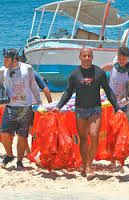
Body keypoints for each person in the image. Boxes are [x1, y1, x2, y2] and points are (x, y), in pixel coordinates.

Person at [52, 47, 121, 178]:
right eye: (84, 56)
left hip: (95, 109)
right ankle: (84, 164)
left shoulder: (99, 72)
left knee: (94, 134)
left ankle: (89, 165)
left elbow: (108, 91)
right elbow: (68, 92)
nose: (87, 58)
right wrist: (59, 106)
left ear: (92, 57)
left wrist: (116, 107)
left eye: (89, 56)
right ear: (80, 57)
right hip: (80, 110)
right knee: (83, 139)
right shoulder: (74, 74)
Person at [0, 48, 42, 168]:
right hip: (10, 107)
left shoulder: (26, 68)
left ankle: (19, 161)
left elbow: (33, 85)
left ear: (14, 59)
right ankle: (9, 155)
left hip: (26, 107)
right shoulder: (2, 70)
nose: (4, 61)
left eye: (6, 59)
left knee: (22, 136)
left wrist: (38, 102)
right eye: (3, 58)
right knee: (4, 133)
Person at [101, 46, 129, 127]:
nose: (121, 61)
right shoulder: (110, 66)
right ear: (117, 56)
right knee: (111, 129)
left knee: (125, 129)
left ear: (128, 58)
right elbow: (97, 74)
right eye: (119, 58)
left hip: (125, 105)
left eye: (124, 59)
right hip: (110, 104)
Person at [25, 71, 52, 155]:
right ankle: (32, 152)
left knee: (25, 132)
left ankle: (30, 153)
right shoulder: (32, 73)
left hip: (27, 106)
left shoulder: (13, 72)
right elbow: (46, 89)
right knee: (34, 131)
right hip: (34, 106)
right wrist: (50, 105)